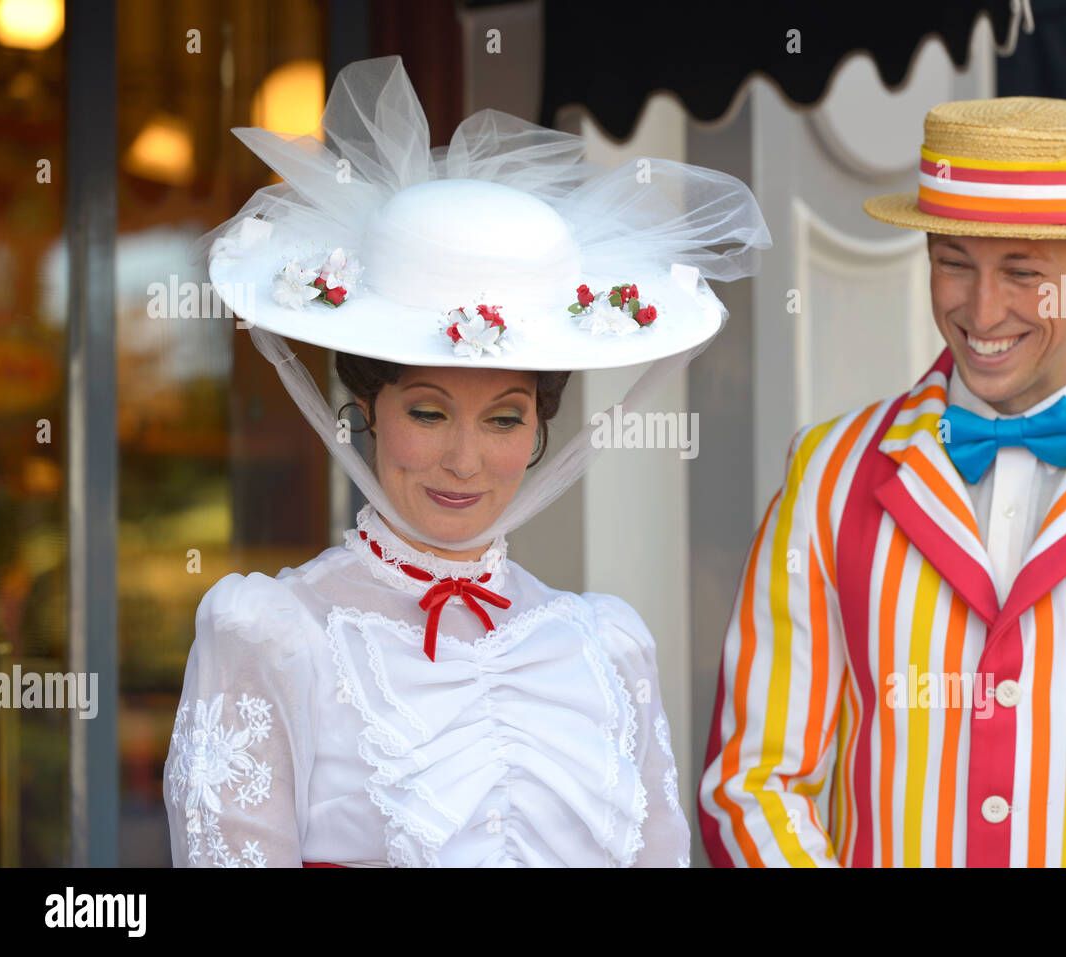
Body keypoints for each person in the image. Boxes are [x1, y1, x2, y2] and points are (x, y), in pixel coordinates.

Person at [162, 56, 769, 867]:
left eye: (505, 418)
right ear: (368, 408)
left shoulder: (606, 646)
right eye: (427, 411)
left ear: (540, 426)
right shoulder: (275, 636)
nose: (465, 459)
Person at [699, 96, 1066, 867]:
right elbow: (752, 783)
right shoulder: (827, 473)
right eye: (953, 262)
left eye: (1021, 272)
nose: (981, 310)